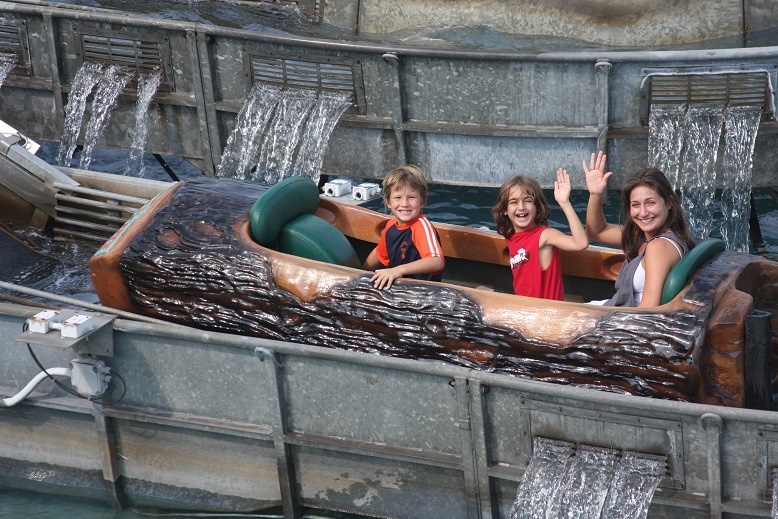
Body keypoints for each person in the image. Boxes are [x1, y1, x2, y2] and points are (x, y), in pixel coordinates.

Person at [583, 151, 695, 307]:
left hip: (625, 321)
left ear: (669, 203)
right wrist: (595, 194)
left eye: (650, 203)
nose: (642, 213)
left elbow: (647, 310)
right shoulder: (642, 236)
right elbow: (597, 233)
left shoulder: (659, 247)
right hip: (618, 310)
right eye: (635, 205)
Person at [491, 169, 588, 300]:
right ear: (504, 210)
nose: (521, 207)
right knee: (482, 290)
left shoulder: (545, 235)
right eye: (513, 202)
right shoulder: (511, 238)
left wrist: (565, 203)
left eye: (527, 200)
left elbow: (581, 244)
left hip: (544, 313)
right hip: (524, 308)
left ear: (537, 207)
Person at [362, 165, 445, 290]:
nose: (405, 204)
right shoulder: (390, 226)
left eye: (411, 197)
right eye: (397, 198)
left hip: (423, 293)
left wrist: (397, 270)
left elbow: (436, 261)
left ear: (422, 201)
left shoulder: (421, 226)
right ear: (388, 202)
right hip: (400, 288)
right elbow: (379, 254)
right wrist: (359, 273)